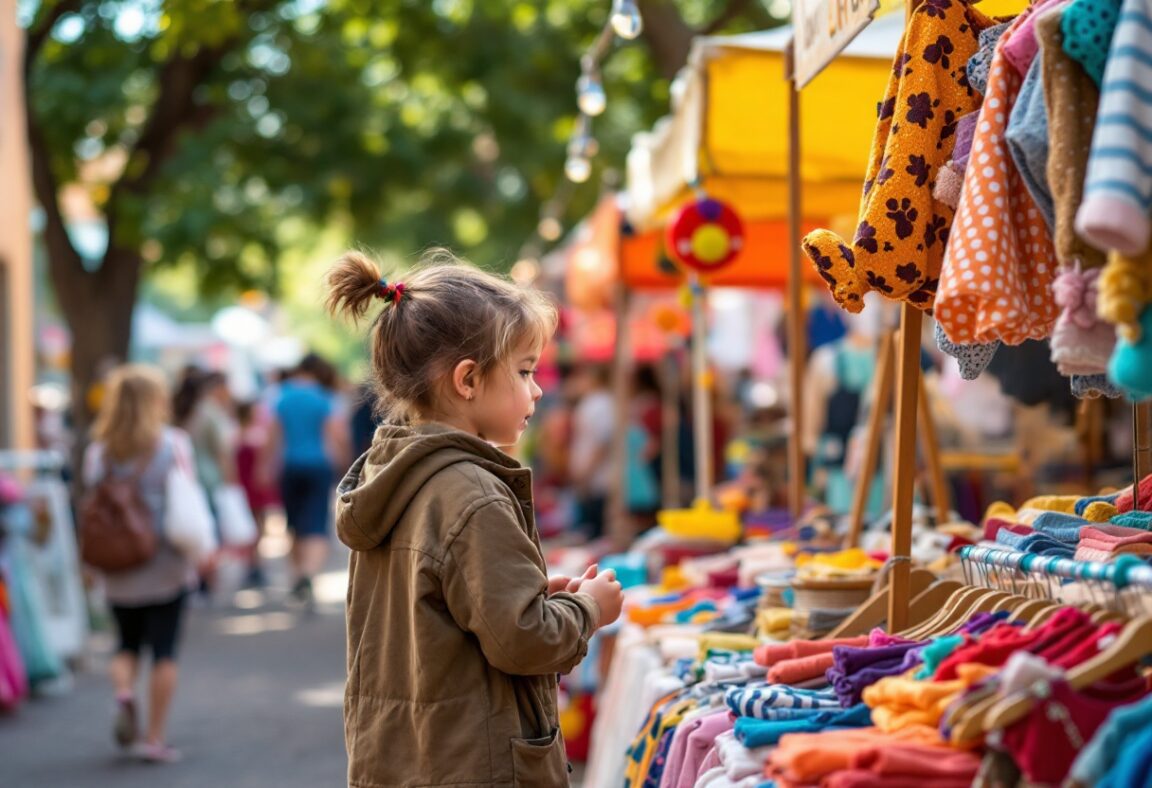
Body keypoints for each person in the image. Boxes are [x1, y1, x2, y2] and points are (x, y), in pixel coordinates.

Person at [325, 249, 624, 787]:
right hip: (474, 763)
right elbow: (524, 641)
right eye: (525, 371)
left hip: (405, 758)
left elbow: (455, 609)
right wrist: (586, 610)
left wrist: (532, 593)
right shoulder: (472, 494)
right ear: (467, 380)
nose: (537, 389)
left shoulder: (392, 474)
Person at [81, 365, 198, 764]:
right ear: (155, 401)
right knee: (164, 650)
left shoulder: (98, 452)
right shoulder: (174, 444)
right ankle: (154, 738)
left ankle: (124, 694)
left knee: (125, 643)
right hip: (165, 560)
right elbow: (188, 500)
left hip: (117, 565)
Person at [263, 353, 348, 607]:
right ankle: (308, 573)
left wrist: (263, 466)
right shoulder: (324, 398)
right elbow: (336, 435)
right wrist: (345, 463)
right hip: (319, 466)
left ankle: (297, 573)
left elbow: (273, 436)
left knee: (294, 523)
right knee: (316, 523)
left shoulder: (282, 396)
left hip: (289, 465)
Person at [568, 364, 616, 541]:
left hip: (597, 479)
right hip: (594, 478)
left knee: (595, 531)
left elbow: (602, 443)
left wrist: (585, 473)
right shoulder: (598, 402)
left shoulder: (601, 403)